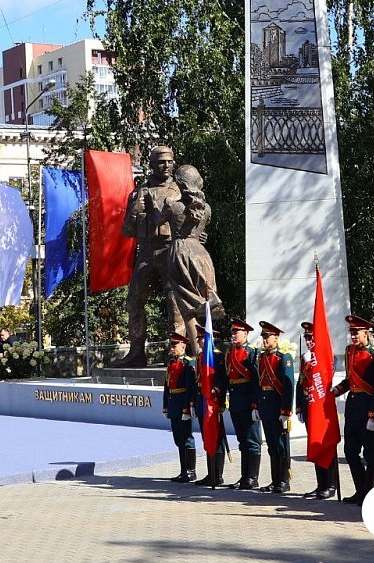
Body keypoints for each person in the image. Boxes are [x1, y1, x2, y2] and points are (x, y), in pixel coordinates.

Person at [115, 146, 183, 367]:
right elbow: (126, 231)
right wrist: (135, 210)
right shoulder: (138, 193)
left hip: (170, 250)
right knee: (134, 300)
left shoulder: (179, 190)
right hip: (146, 252)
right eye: (161, 162)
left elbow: (193, 221)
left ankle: (176, 350)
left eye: (170, 161)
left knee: (174, 302)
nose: (167, 166)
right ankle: (136, 351)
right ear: (152, 164)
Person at [160, 165, 224, 355]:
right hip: (201, 254)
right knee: (206, 303)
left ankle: (198, 353)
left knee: (187, 306)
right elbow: (199, 230)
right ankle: (209, 352)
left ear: (180, 184)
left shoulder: (172, 205)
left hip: (180, 253)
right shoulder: (207, 209)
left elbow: (156, 221)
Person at [331, 315, 374, 505]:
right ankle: (360, 491)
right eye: (351, 333)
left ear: (366, 333)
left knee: (370, 455)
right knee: (350, 452)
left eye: (357, 333)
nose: (353, 336)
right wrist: (336, 390)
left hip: (368, 407)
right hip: (353, 407)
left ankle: (369, 493)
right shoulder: (350, 351)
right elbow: (349, 380)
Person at [296, 322, 337, 500]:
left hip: (321, 407)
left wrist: (315, 362)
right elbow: (300, 383)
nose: (308, 341)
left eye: (311, 337)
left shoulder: (327, 356)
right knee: (314, 444)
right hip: (308, 404)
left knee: (325, 444)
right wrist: (299, 406)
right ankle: (321, 484)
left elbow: (326, 377)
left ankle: (331, 484)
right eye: (306, 337)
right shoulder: (305, 357)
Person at [256, 320, 294, 493]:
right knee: (272, 445)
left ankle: (284, 481)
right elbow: (259, 383)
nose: (264, 340)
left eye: (267, 336)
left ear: (276, 338)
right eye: (263, 336)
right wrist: (257, 405)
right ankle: (275, 480)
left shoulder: (283, 358)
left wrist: (286, 410)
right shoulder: (262, 357)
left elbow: (288, 386)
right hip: (266, 406)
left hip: (278, 407)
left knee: (281, 444)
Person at [226, 318, 261, 490]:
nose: (234, 335)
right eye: (232, 332)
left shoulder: (252, 353)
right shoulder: (229, 353)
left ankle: (252, 478)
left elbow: (257, 380)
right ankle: (244, 476)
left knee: (252, 440)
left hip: (248, 401)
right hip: (235, 400)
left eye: (237, 332)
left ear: (246, 334)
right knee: (242, 440)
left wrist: (255, 403)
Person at [194, 325, 228, 487]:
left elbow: (222, 380)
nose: (199, 341)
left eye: (202, 338)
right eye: (199, 339)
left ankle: (217, 475)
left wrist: (219, 401)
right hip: (202, 400)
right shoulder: (201, 356)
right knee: (207, 436)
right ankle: (210, 473)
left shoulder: (217, 356)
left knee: (217, 438)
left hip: (213, 401)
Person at [163, 332, 198, 482]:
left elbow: (190, 388)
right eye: (171, 345)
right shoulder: (171, 363)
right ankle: (183, 471)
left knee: (187, 438)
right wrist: (166, 406)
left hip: (183, 403)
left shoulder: (188, 363)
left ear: (183, 346)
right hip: (173, 404)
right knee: (178, 438)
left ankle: (191, 471)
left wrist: (187, 408)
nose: (172, 348)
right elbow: (167, 386)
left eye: (175, 345)